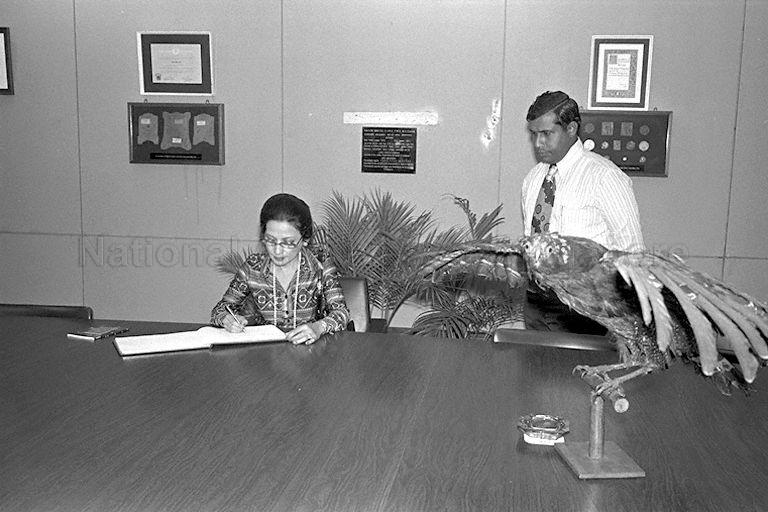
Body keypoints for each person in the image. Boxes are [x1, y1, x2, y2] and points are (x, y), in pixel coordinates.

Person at [521, 91, 645, 333]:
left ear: (571, 128)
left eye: (546, 134)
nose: (538, 143)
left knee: (575, 371)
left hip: (585, 308)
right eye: (534, 135)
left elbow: (632, 254)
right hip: (536, 302)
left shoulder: (605, 177)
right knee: (533, 368)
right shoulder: (533, 179)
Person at [211, 193, 350, 344]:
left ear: (305, 239)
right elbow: (220, 309)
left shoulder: (320, 264)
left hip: (310, 351)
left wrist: (318, 327)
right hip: (265, 354)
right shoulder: (253, 267)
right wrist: (227, 319)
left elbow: (341, 312)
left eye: (288, 243)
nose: (277, 251)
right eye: (270, 240)